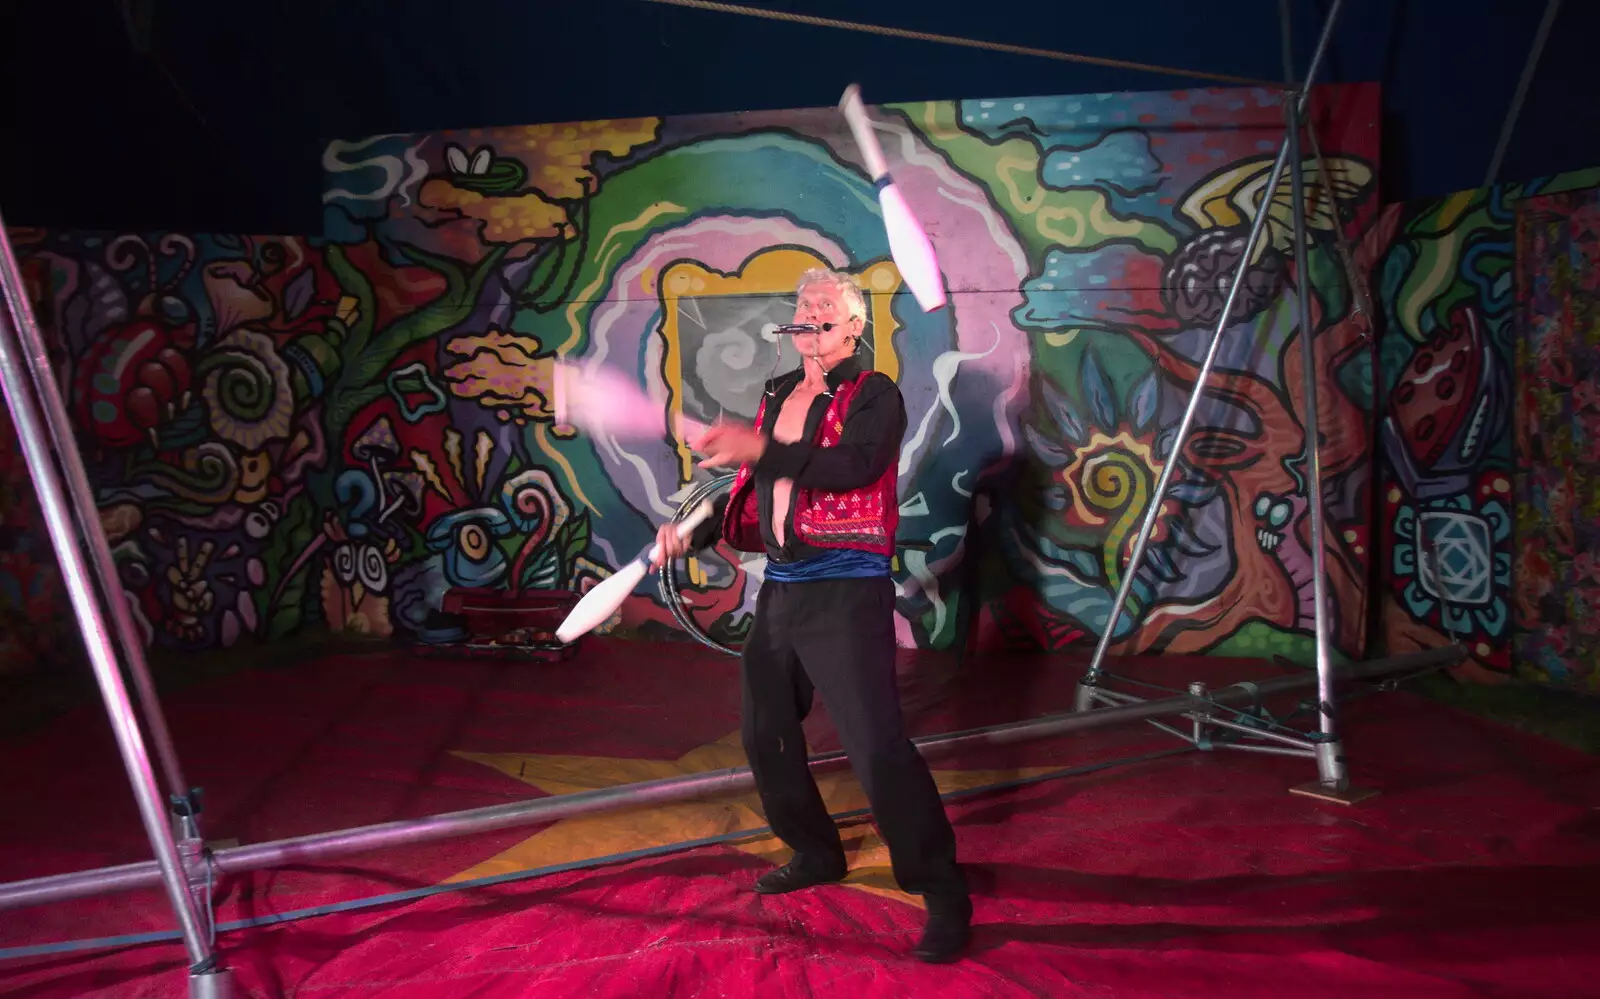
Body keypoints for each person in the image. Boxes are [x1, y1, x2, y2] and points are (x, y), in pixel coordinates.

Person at [651, 267, 971, 963]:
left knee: (875, 744)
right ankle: (815, 850)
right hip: (785, 587)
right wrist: (693, 529)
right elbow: (754, 481)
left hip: (846, 587)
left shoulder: (873, 393)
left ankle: (942, 888)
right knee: (764, 729)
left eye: (827, 303)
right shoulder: (776, 394)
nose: (812, 308)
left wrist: (759, 447)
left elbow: (853, 467)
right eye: (803, 302)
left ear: (853, 326)